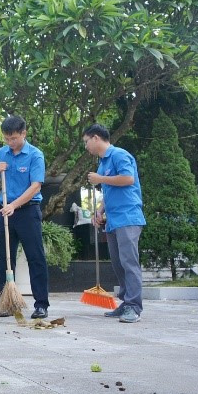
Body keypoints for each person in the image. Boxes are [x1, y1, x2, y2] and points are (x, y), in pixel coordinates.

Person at [0, 116, 50, 319]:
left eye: (13, 138)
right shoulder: (1, 153)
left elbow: (35, 186)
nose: (10, 142)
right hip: (5, 211)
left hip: (27, 211)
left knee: (36, 257)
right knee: (5, 258)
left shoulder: (35, 155)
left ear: (23, 133)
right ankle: (6, 301)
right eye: (7, 138)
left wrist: (14, 205)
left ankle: (41, 304)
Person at [83, 124, 146, 323]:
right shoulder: (103, 163)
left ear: (95, 138)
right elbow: (110, 191)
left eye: (86, 142)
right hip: (113, 220)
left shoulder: (119, 155)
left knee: (129, 262)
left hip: (128, 217)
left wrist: (101, 178)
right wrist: (99, 211)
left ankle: (134, 307)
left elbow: (128, 179)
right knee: (118, 264)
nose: (86, 147)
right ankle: (126, 303)